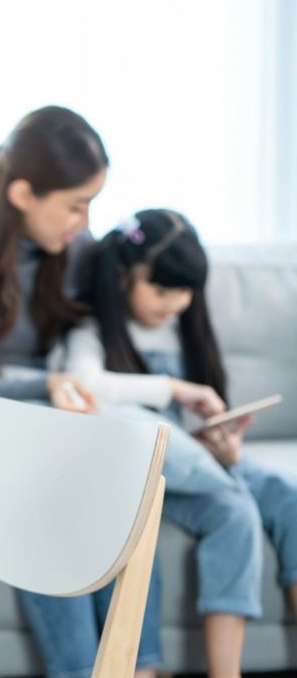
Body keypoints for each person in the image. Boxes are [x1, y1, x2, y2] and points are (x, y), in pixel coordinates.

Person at [0, 106, 165, 678]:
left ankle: (139, 668)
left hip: (45, 425)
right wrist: (43, 381)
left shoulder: (72, 251)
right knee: (54, 494)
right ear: (22, 193)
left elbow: (104, 334)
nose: (84, 220)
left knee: (124, 480)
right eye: (75, 204)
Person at [62, 209, 297, 678]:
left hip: (197, 460)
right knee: (236, 510)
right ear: (124, 276)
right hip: (141, 473)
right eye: (163, 289)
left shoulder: (188, 330)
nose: (177, 301)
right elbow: (84, 385)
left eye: (186, 290)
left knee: (283, 498)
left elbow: (200, 424)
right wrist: (172, 388)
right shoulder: (90, 334)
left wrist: (223, 449)